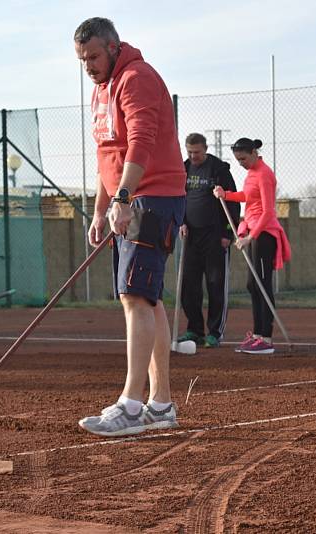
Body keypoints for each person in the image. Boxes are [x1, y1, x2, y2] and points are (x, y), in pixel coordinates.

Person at [74, 17, 186, 436]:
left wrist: (124, 198)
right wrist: (101, 208)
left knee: (136, 297)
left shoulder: (136, 78)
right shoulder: (100, 90)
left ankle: (131, 406)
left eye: (94, 56)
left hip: (152, 197)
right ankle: (160, 404)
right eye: (82, 60)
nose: (88, 65)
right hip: (130, 197)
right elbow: (109, 155)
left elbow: (139, 139)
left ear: (114, 47)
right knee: (147, 300)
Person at [213, 138, 291, 355]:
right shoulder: (252, 174)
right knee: (252, 284)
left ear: (254, 153)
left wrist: (250, 237)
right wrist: (226, 195)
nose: (241, 163)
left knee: (262, 284)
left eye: (243, 159)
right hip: (254, 233)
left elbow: (267, 211)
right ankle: (257, 334)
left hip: (265, 234)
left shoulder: (265, 174)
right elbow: (248, 196)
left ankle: (266, 337)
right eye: (238, 160)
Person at [176, 133, 240, 349]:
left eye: (197, 152)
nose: (193, 156)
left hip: (214, 237)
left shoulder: (219, 170)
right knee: (189, 285)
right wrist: (180, 222)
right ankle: (194, 329)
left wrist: (227, 234)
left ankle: (214, 332)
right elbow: (178, 199)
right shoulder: (183, 169)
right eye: (190, 152)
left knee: (215, 284)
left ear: (205, 149)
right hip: (191, 237)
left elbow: (232, 203)